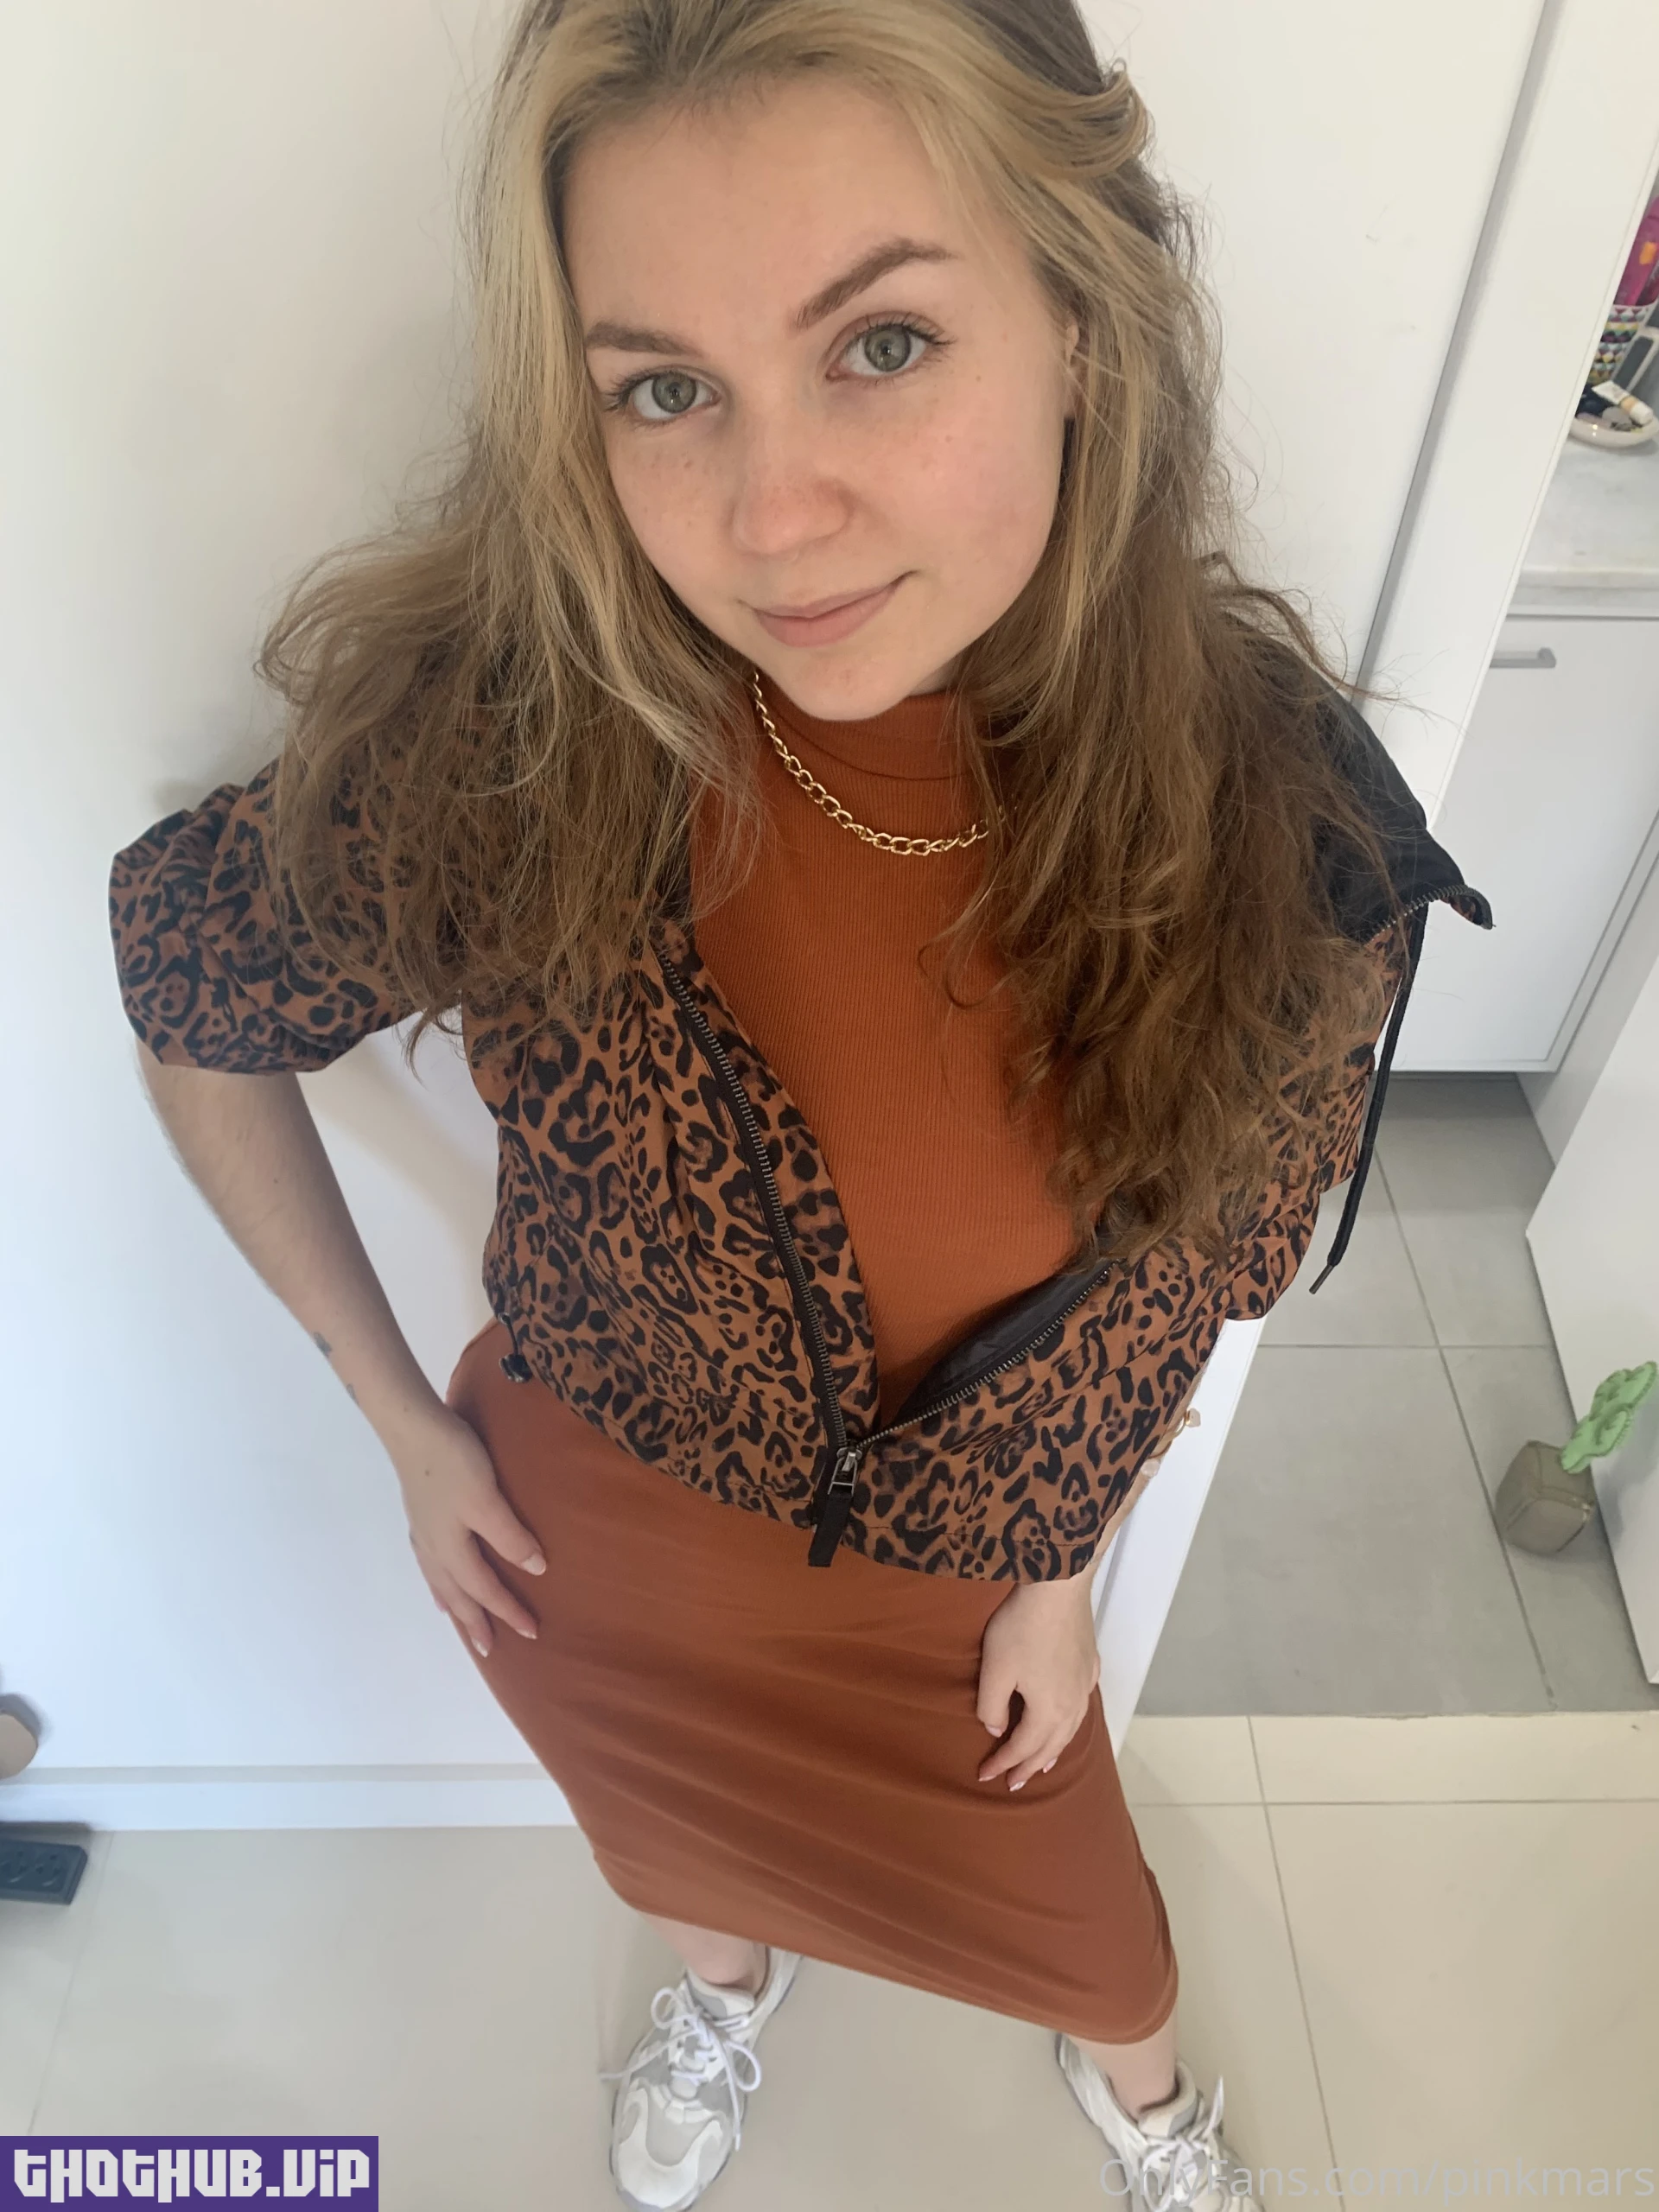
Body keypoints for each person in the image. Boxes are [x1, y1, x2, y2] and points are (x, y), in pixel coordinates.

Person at [105, 3, 1491, 2207]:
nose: (769, 516)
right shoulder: (523, 757)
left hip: (974, 1614)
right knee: (674, 1849)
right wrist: (399, 1423)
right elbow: (191, 990)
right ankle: (725, 1993)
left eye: (882, 345)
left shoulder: (1279, 835)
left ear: (1080, 314)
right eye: (664, 388)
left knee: (1099, 1944)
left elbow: (1194, 1283)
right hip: (602, 1571)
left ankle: (1147, 2102)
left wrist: (1064, 1573)